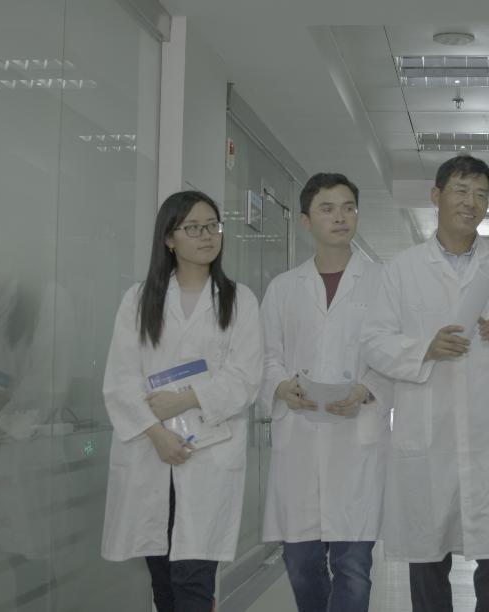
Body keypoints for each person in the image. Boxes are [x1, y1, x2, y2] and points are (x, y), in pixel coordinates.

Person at [361, 155, 489, 612]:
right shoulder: (403, 269)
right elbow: (373, 342)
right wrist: (424, 348)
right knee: (428, 558)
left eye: (481, 194)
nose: (471, 202)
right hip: (429, 436)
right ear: (436, 196)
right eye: (461, 191)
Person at [100, 191, 264, 612]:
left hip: (208, 453)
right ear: (169, 239)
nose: (207, 235)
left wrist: (185, 401)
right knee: (163, 581)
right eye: (193, 228)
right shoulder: (139, 300)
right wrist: (157, 434)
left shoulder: (239, 299)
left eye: (213, 225)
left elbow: (246, 377)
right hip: (151, 452)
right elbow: (121, 379)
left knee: (193, 579)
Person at [259, 172, 393, 612]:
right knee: (300, 564)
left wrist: (366, 390)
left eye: (348, 208)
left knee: (353, 568)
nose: (340, 217)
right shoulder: (283, 288)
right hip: (300, 438)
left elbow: (395, 354)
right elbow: (267, 354)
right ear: (305, 220)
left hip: (356, 439)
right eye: (328, 208)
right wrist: (281, 385)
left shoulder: (383, 283)